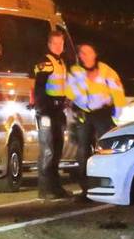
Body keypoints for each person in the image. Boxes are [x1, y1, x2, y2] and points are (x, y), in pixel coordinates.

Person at [67, 43, 127, 199]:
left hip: (103, 114)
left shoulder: (106, 71)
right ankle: (86, 189)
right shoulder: (74, 72)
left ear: (95, 54)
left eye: (88, 52)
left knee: (108, 148)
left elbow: (118, 92)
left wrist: (117, 113)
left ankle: (110, 184)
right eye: (82, 53)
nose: (85, 56)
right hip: (84, 114)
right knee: (83, 152)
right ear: (79, 56)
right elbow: (72, 94)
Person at [33, 29, 71, 200]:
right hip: (47, 111)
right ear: (49, 45)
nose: (58, 46)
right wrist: (43, 110)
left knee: (57, 150)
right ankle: (45, 189)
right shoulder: (45, 63)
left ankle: (56, 187)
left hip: (58, 111)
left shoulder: (61, 62)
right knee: (47, 150)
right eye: (55, 43)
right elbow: (39, 88)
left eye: (61, 43)